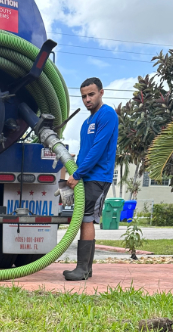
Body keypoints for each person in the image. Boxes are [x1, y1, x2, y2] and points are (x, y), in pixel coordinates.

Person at [63, 77, 119, 281]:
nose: (87, 99)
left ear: (101, 93)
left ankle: (82, 269)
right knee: (83, 218)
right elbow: (86, 151)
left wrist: (77, 174)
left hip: (98, 176)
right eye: (84, 96)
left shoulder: (107, 114)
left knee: (87, 218)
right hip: (86, 176)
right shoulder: (87, 122)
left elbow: (98, 149)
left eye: (91, 94)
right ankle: (84, 269)